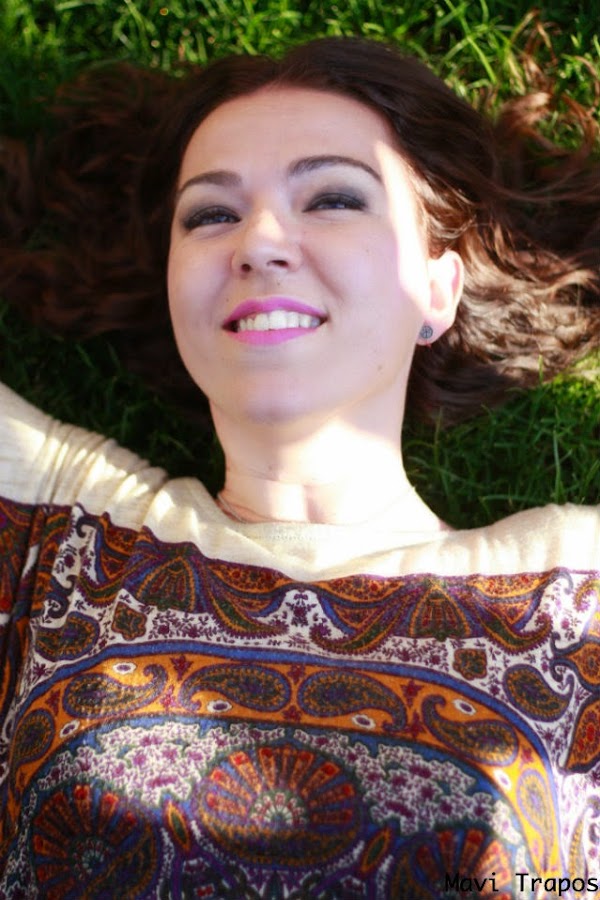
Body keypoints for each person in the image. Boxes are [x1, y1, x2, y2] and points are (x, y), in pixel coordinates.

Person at [0, 35, 599, 899]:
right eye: (210, 215)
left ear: (439, 288)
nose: (259, 241)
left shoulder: (576, 588)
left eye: (333, 198)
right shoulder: (54, 522)